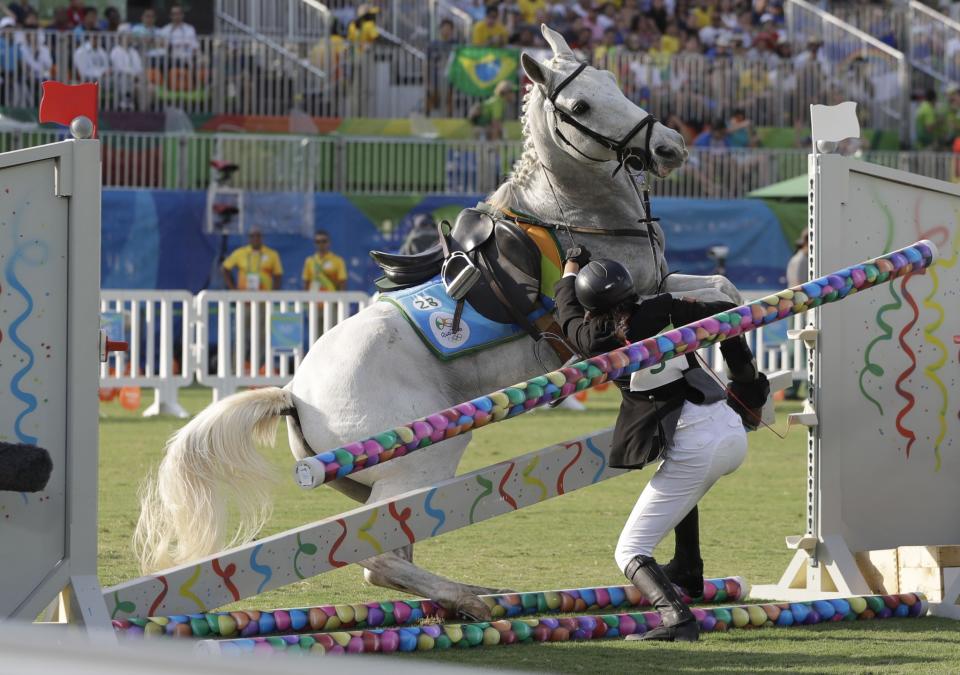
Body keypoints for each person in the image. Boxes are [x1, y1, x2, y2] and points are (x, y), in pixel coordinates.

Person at [555, 251, 768, 641]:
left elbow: (567, 314)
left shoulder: (594, 340)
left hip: (696, 444)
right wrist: (747, 384)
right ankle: (687, 570)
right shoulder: (666, 308)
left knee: (629, 551)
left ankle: (677, 621)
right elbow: (730, 318)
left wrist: (569, 271)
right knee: (674, 481)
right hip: (726, 427)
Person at [110, 25, 143, 109]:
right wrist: (133, 75)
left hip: (135, 79)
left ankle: (143, 112)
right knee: (125, 77)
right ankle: (125, 103)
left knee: (149, 88)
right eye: (128, 35)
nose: (130, 37)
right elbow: (120, 68)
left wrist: (137, 75)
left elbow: (139, 67)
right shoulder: (115, 51)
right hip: (119, 79)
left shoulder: (133, 51)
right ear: (121, 37)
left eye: (130, 35)